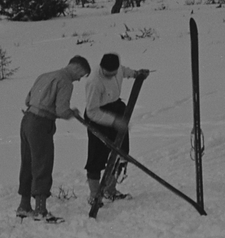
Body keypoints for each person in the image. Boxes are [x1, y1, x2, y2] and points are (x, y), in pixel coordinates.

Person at [18, 55, 91, 221]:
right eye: (81, 75)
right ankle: (40, 210)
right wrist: (72, 113)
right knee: (42, 163)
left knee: (28, 162)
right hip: (41, 123)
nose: (79, 80)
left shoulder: (45, 75)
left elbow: (27, 99)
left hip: (27, 119)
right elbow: (61, 110)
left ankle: (24, 206)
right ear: (77, 68)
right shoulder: (65, 82)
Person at [85, 53, 150, 204]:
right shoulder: (94, 82)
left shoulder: (118, 69)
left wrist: (136, 74)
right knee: (96, 157)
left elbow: (124, 70)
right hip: (98, 116)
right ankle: (94, 195)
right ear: (101, 67)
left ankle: (110, 189)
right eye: (108, 73)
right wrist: (114, 122)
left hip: (116, 109)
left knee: (121, 152)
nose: (111, 75)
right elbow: (92, 111)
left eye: (113, 73)